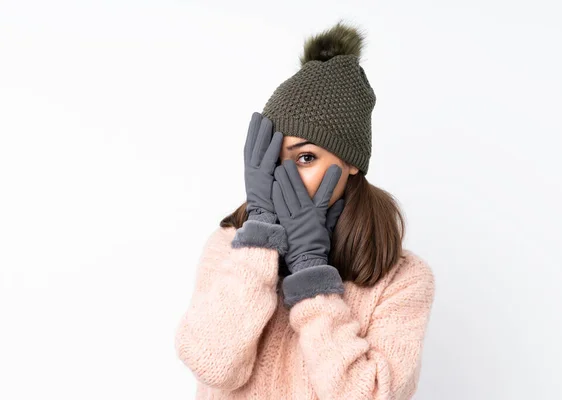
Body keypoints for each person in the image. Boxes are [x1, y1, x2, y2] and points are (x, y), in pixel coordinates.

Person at [174, 20, 435, 400]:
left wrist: (313, 277)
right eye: (274, 161)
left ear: (351, 162)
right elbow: (213, 365)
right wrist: (260, 236)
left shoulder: (402, 279)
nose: (287, 177)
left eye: (306, 157)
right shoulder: (230, 245)